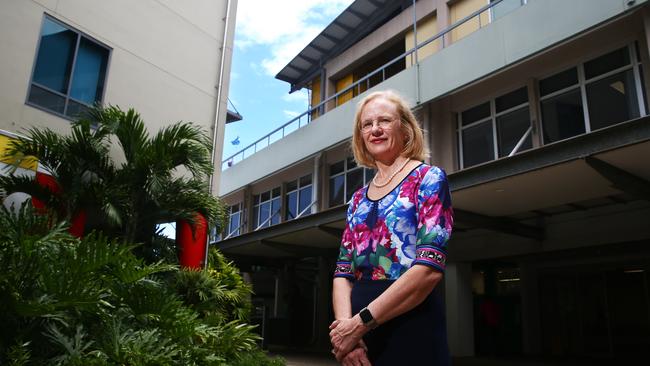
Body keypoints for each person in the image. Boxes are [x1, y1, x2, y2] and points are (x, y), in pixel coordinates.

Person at [329, 90, 454, 365]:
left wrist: (359, 324)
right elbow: (342, 272)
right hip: (359, 340)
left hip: (410, 327)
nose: (375, 130)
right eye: (367, 124)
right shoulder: (357, 199)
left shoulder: (428, 179)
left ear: (406, 129)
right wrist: (346, 335)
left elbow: (428, 270)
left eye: (384, 120)